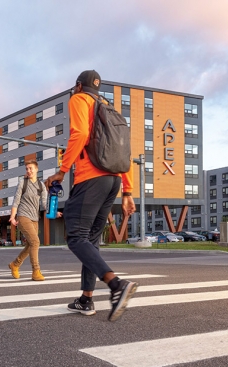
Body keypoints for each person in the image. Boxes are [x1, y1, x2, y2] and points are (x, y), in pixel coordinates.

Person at [45, 70, 138, 322]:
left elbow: (80, 135)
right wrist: (127, 191)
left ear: (78, 86)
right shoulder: (110, 108)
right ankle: (86, 299)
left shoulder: (79, 100)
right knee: (90, 241)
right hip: (114, 180)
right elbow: (125, 153)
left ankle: (116, 284)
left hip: (91, 178)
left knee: (75, 237)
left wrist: (62, 171)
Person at [8, 160, 51, 281]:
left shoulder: (41, 185)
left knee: (30, 245)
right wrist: (12, 216)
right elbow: (16, 200)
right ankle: (36, 271)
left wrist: (53, 211)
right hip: (23, 216)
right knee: (36, 242)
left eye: (31, 168)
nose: (29, 171)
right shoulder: (23, 183)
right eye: (27, 169)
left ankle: (15, 264)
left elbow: (44, 203)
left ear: (37, 169)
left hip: (34, 218)